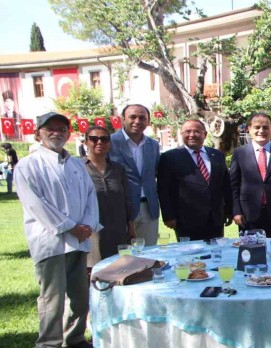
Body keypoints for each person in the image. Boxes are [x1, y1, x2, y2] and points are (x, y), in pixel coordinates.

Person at [14, 112, 101, 348]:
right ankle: (49, 346)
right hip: (50, 241)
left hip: (79, 239)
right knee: (52, 297)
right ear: (37, 134)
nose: (57, 133)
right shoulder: (28, 165)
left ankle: (74, 337)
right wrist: (70, 227)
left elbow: (90, 197)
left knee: (79, 294)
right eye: (50, 129)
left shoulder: (76, 164)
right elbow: (36, 204)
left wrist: (88, 225)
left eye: (62, 129)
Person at [157, 119, 232, 241]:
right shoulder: (169, 157)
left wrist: (229, 211)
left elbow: (226, 185)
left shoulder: (217, 155)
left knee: (217, 251)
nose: (192, 135)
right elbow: (163, 189)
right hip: (186, 219)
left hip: (215, 218)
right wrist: (168, 216)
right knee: (190, 253)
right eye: (187, 131)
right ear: (181, 134)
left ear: (205, 134)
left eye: (196, 131)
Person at [230, 112, 271, 238]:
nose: (261, 131)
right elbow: (234, 185)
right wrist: (236, 211)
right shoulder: (239, 153)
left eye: (265, 127)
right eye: (257, 127)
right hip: (247, 214)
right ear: (249, 129)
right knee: (250, 249)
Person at [109, 104, 161, 246]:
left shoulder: (153, 145)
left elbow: (155, 172)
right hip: (121, 207)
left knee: (149, 252)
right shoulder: (109, 142)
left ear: (148, 121)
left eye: (142, 118)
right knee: (123, 253)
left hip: (149, 207)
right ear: (123, 119)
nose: (137, 121)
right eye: (132, 117)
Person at [83, 126, 134, 270]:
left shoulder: (118, 169)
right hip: (92, 230)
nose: (99, 142)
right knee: (94, 269)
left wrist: (131, 226)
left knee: (119, 268)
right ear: (86, 142)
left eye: (104, 139)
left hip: (117, 228)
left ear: (109, 143)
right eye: (94, 139)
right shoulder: (78, 168)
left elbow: (126, 199)